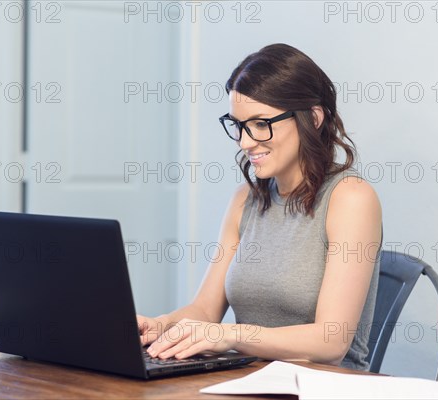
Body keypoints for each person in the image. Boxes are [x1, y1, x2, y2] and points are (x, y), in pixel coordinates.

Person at [137, 43, 383, 371]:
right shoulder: (245, 199)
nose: (245, 141)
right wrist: (163, 324)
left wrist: (231, 336)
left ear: (312, 117)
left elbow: (331, 342)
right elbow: (206, 312)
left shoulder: (351, 198)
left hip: (326, 387)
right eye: (239, 125)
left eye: (260, 124)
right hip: (251, 381)